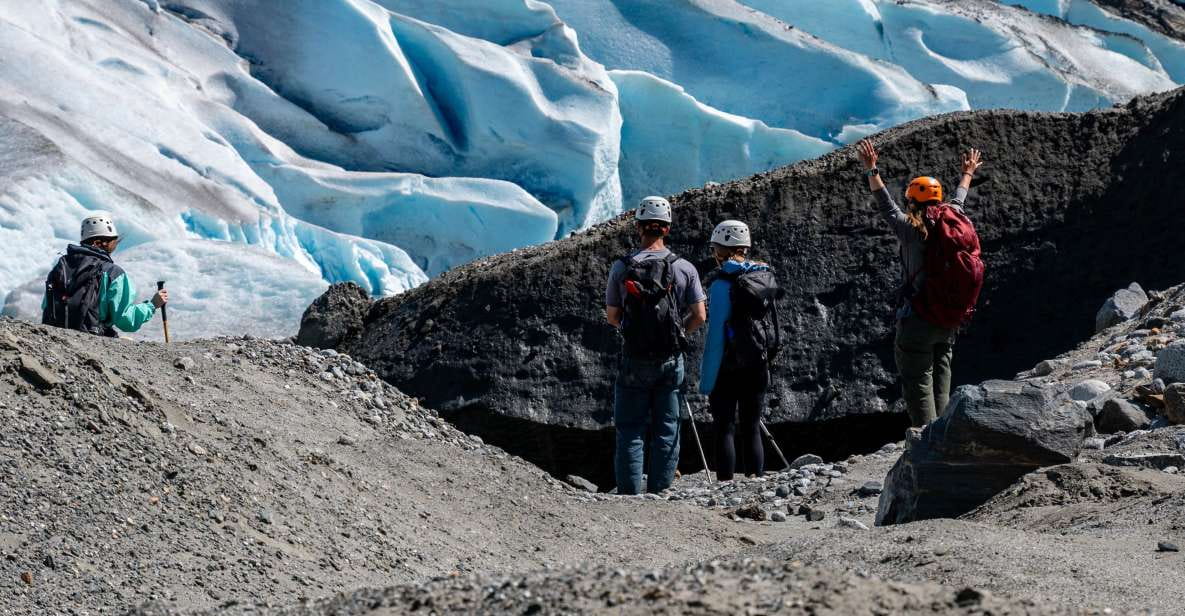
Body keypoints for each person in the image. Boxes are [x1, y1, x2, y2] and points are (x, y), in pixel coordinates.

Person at [856, 140, 983, 426]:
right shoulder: (955, 217)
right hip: (949, 319)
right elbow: (960, 197)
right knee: (942, 385)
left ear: (912, 200)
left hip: (918, 319)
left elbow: (885, 204)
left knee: (918, 387)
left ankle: (926, 445)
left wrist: (871, 168)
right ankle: (944, 439)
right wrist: (968, 172)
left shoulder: (910, 228)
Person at [605, 196, 707, 494]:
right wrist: (680, 333)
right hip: (670, 358)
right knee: (667, 427)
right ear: (667, 229)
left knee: (630, 428)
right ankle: (661, 491)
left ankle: (629, 493)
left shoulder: (621, 268)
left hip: (634, 357)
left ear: (638, 228)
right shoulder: (684, 267)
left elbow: (612, 317)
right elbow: (700, 315)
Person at [699, 220, 778, 481]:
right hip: (758, 362)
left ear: (722, 250)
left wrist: (706, 381)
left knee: (725, 427)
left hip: (728, 366)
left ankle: (725, 484)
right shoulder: (764, 276)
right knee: (752, 426)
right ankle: (756, 479)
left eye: (715, 249)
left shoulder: (722, 286)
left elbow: (715, 339)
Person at [42, 214, 168, 337]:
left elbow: (46, 305)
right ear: (97, 243)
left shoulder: (61, 266)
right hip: (91, 339)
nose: (116, 245)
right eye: (113, 241)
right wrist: (152, 305)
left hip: (54, 337)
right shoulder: (113, 273)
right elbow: (127, 321)